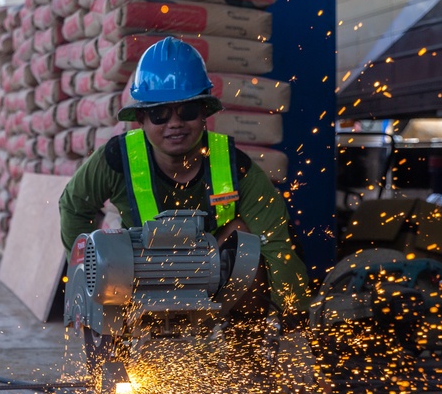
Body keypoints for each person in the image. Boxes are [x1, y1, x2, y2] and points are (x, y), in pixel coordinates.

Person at [59, 37, 310, 325]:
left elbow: (277, 242)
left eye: (187, 111)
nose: (174, 123)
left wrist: (295, 323)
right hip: (138, 276)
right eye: (160, 114)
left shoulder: (235, 167)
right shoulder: (116, 159)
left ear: (205, 113)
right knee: (108, 249)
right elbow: (73, 206)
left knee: (247, 240)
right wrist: (89, 277)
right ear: (141, 118)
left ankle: (243, 352)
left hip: (212, 280)